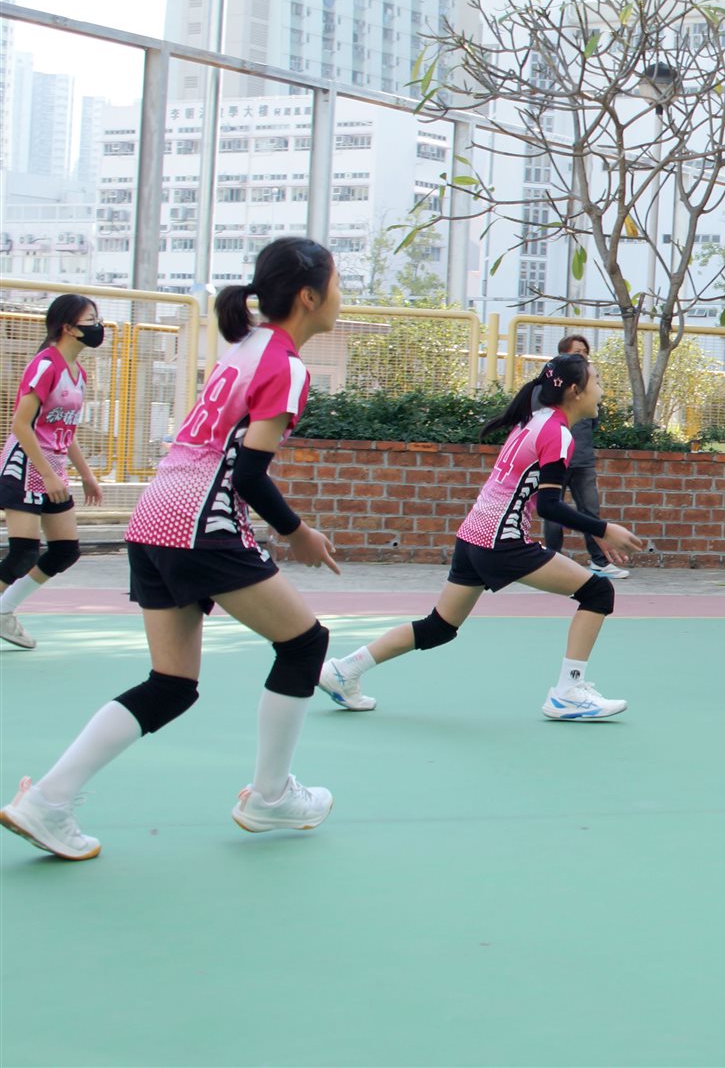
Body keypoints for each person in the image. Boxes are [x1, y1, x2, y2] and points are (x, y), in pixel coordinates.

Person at [0, 237, 344, 860]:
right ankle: (270, 797)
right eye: (338, 284)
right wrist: (298, 533)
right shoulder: (285, 364)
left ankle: (48, 800)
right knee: (304, 644)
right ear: (309, 296)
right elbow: (247, 475)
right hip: (200, 525)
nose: (341, 296)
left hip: (153, 518)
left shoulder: (245, 348)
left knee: (171, 683)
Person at [317, 353, 645, 720]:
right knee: (598, 592)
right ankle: (568, 693)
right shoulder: (557, 433)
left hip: (473, 536)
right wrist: (603, 529)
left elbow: (539, 498)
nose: (601, 390)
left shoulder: (533, 422)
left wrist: (594, 530)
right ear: (574, 390)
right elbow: (550, 506)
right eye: (596, 381)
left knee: (439, 627)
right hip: (501, 541)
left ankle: (344, 670)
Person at [0, 294, 107, 649]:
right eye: (90, 320)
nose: (98, 326)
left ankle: (4, 610)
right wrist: (46, 474)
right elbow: (21, 425)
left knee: (65, 551)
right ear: (68, 327)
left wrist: (86, 475)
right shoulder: (45, 365)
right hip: (26, 465)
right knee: (23, 552)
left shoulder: (79, 374)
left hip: (53, 468)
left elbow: (66, 431)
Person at [541, 333, 623, 580]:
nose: (583, 356)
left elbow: (593, 421)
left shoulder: (589, 387)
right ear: (563, 354)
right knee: (553, 512)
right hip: (556, 459)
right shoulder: (550, 386)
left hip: (583, 460)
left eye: (586, 352)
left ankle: (599, 561)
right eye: (578, 352)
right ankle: (552, 562)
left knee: (590, 511)